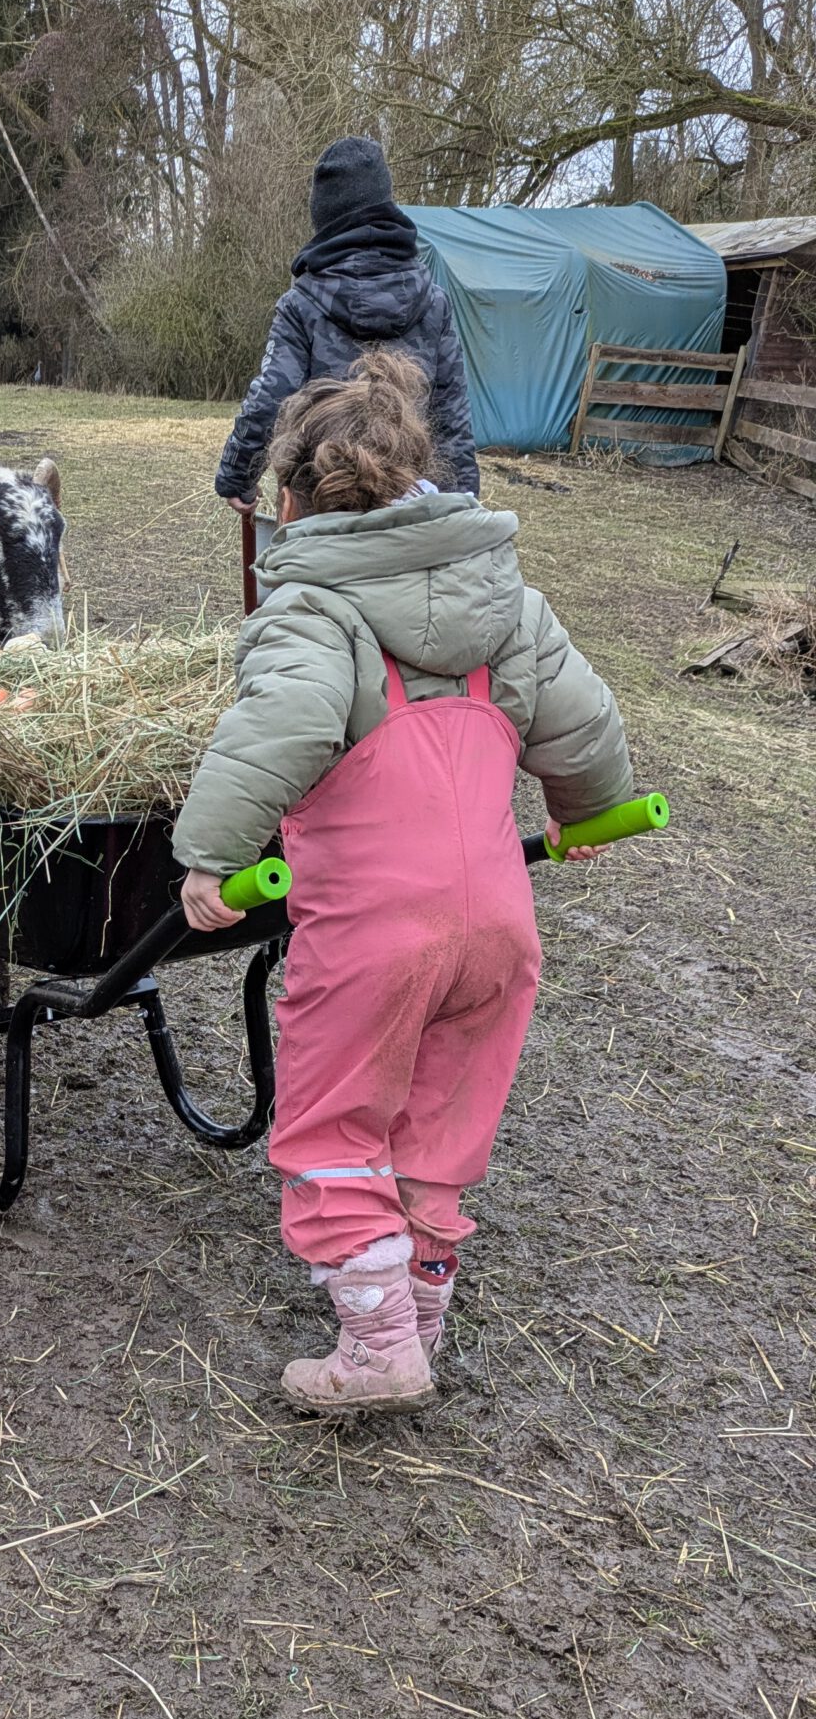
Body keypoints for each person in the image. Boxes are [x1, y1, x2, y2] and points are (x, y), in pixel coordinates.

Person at [176, 352, 631, 1416]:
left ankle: (379, 1347)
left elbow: (279, 729)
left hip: (375, 933)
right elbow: (585, 722)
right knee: (441, 1123)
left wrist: (213, 858)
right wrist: (582, 809)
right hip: (499, 929)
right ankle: (420, 1316)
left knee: (333, 1124)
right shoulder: (508, 604)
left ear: (292, 501)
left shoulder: (312, 607)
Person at [215, 136, 478, 512]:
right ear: (386, 207)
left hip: (323, 502)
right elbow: (452, 416)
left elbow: (271, 397)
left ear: (323, 219)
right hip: (408, 509)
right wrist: (461, 504)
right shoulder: (434, 302)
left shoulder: (301, 304)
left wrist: (237, 474)